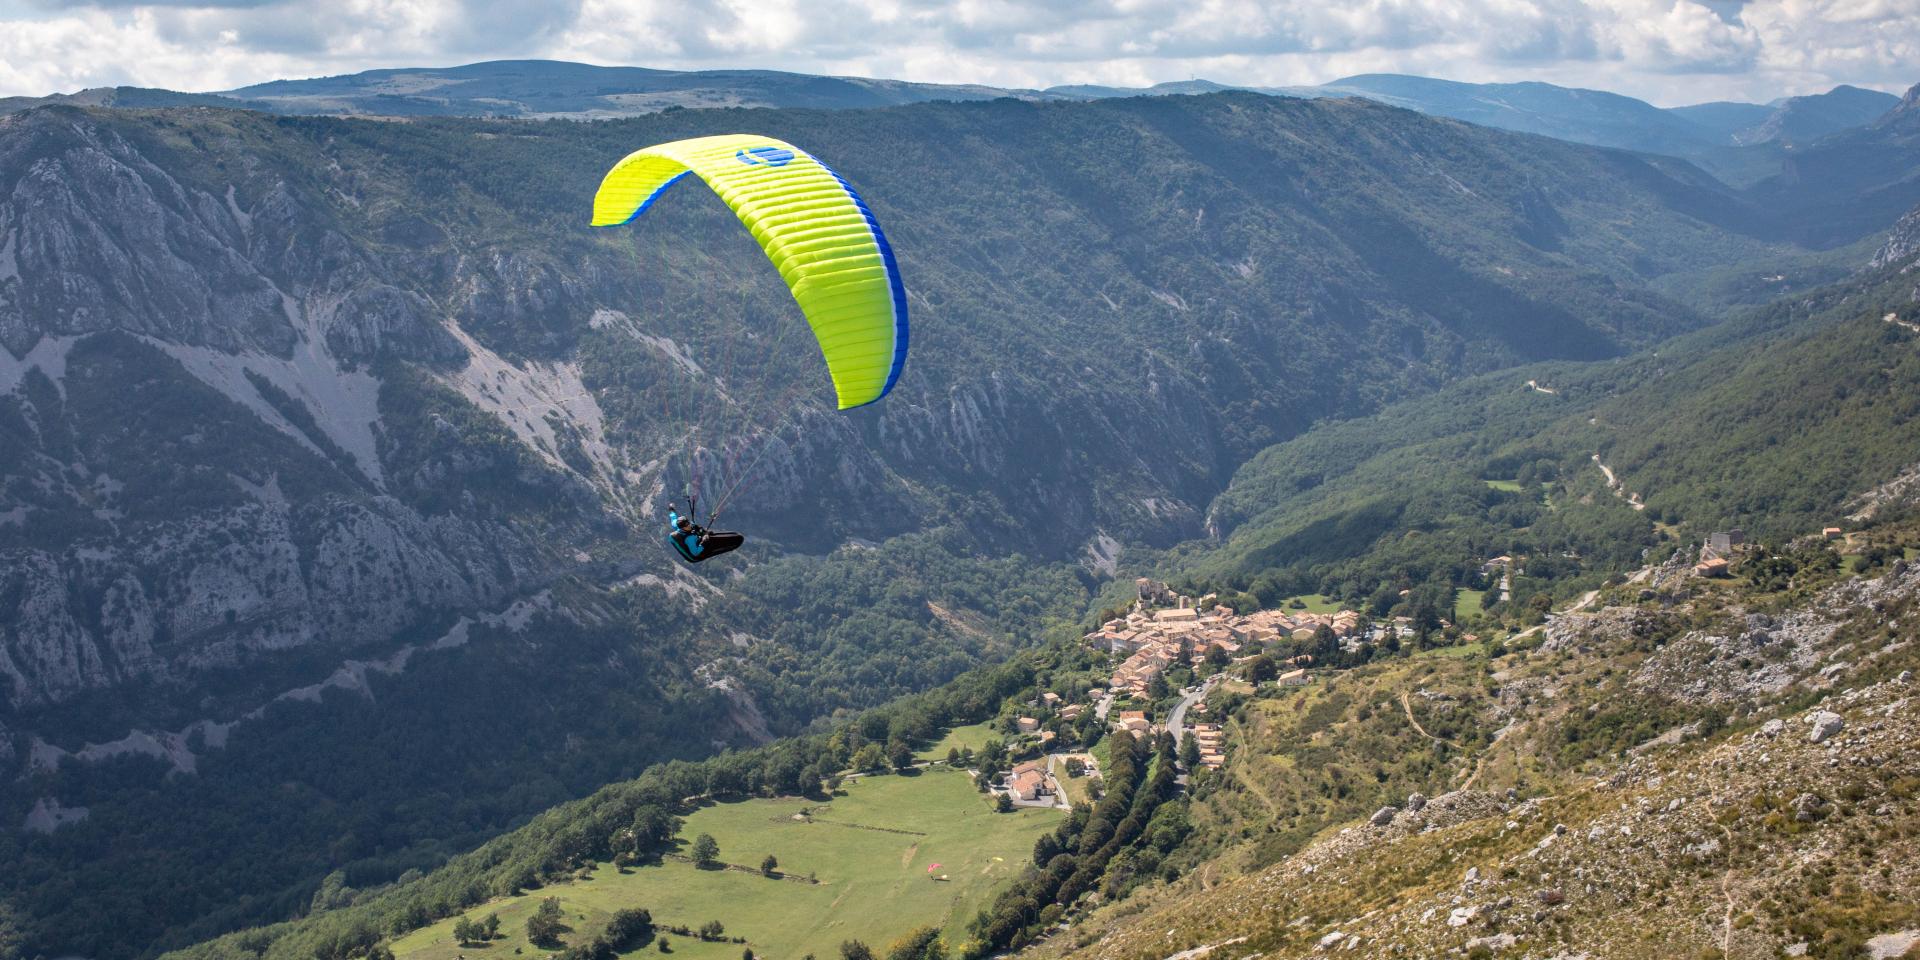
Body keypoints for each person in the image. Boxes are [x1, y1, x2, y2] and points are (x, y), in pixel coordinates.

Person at [666, 501, 744, 564]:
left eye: (688, 522)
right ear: (683, 527)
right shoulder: (689, 539)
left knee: (709, 533)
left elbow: (673, 517)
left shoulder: (677, 524)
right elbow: (695, 552)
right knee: (709, 539)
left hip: (696, 542)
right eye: (687, 525)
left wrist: (671, 509)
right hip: (697, 556)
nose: (689, 524)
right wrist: (703, 542)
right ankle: (731, 544)